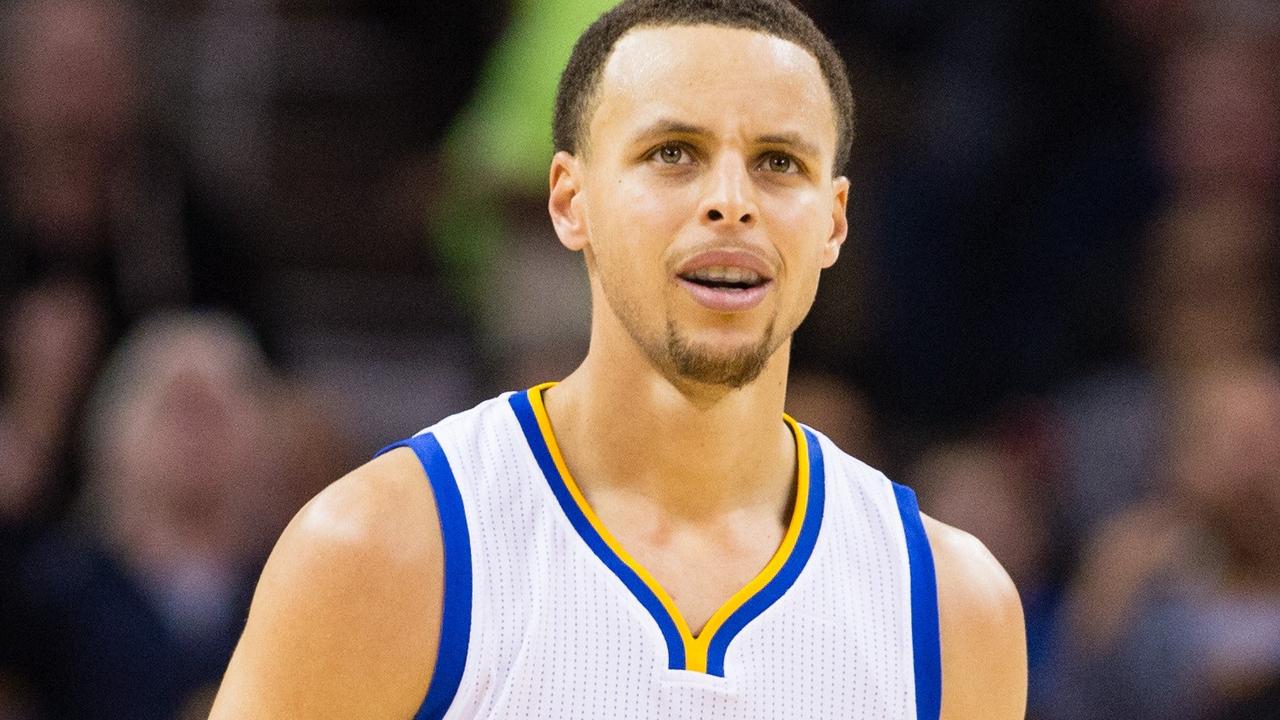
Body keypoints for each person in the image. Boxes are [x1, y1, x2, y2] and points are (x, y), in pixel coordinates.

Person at [210, 1, 1026, 718]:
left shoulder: (953, 611)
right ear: (570, 200)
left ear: (836, 221)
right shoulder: (379, 550)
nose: (730, 200)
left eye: (780, 162)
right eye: (674, 152)